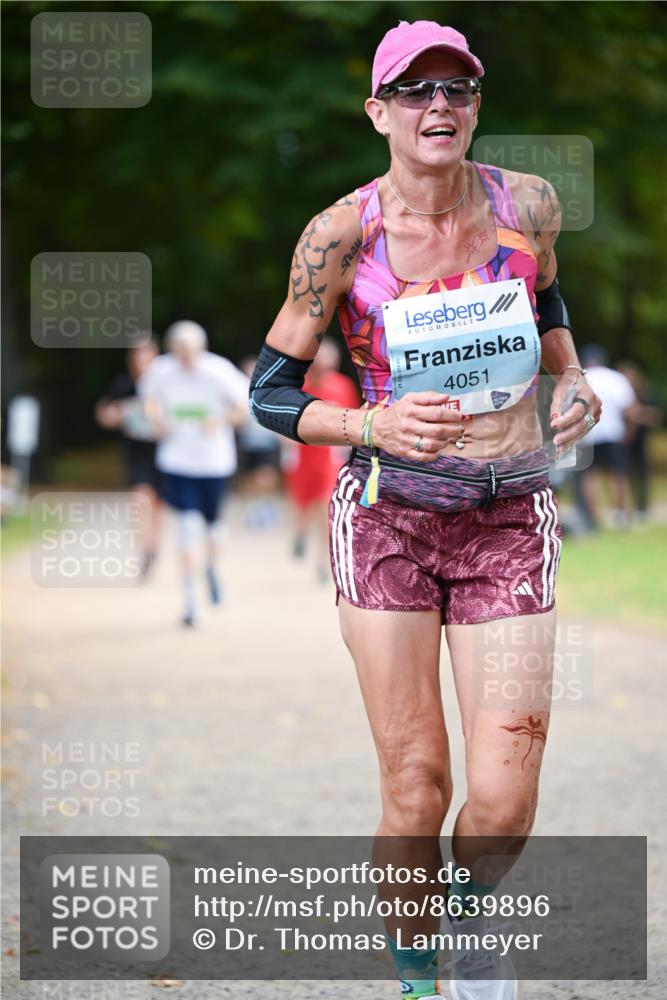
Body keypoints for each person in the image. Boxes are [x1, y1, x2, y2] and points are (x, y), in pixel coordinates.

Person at [249, 20, 601, 1000]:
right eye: (414, 91)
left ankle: (472, 912)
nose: (437, 106)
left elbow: (549, 308)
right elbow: (270, 391)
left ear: (475, 105)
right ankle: (417, 973)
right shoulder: (339, 235)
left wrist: (569, 376)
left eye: (456, 89)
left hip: (507, 513)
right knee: (417, 784)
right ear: (378, 112)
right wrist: (370, 424)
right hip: (388, 517)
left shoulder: (525, 203)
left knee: (501, 795)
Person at [139, 321, 249, 626]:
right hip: (176, 462)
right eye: (180, 352)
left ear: (202, 349)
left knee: (214, 531)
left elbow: (243, 407)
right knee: (186, 528)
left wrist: (223, 420)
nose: (185, 359)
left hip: (214, 464)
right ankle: (190, 601)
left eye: (191, 352)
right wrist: (155, 418)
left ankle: (211, 566)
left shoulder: (219, 371)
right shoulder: (160, 371)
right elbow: (149, 401)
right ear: (172, 350)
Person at [283, 337, 360, 580]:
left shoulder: (342, 386)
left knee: (326, 507)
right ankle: (300, 533)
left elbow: (354, 418)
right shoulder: (300, 388)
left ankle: (322, 562)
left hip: (329, 457)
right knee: (302, 504)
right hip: (303, 455)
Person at [95, 337, 163, 578]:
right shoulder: (123, 384)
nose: (141, 361)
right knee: (140, 500)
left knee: (157, 506)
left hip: (164, 453)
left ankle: (153, 546)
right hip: (136, 453)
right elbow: (102, 413)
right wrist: (114, 414)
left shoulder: (166, 383)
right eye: (136, 356)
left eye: (145, 355)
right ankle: (144, 550)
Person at [575, 345, 637, 530]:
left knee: (590, 477)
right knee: (617, 475)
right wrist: (628, 433)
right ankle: (621, 517)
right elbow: (630, 409)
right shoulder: (616, 378)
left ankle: (594, 521)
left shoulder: (580, 379)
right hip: (612, 432)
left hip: (587, 434)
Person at [237, 356, 283, 530]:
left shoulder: (268, 389)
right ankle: (253, 509)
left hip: (266, 441)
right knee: (248, 477)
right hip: (248, 443)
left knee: (266, 476)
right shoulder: (240, 390)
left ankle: (267, 506)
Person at [616, 359, 662, 521]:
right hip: (621, 440)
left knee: (641, 473)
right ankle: (625, 507)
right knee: (623, 474)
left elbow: (656, 416)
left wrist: (639, 415)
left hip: (639, 440)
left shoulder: (645, 393)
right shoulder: (619, 392)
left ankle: (642, 506)